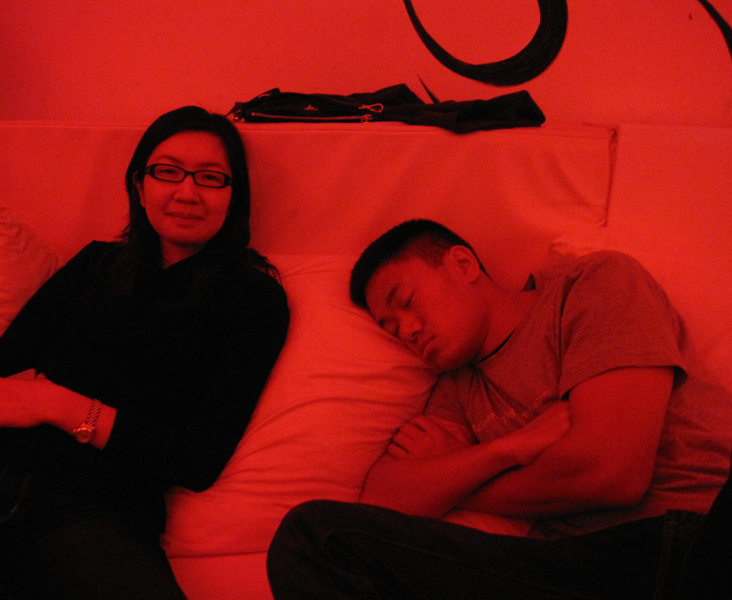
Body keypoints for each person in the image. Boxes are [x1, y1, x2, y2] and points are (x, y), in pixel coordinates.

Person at [266, 219, 731, 599]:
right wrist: (506, 450)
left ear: (463, 264)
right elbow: (384, 500)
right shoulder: (457, 389)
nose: (406, 330)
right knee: (316, 538)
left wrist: (456, 481)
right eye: (391, 328)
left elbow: (613, 472)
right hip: (576, 568)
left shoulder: (590, 285)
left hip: (696, 535)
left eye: (406, 302)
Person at [0, 106, 290, 599]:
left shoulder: (255, 299)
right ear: (140, 186)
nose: (187, 192)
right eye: (168, 172)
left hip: (88, 512)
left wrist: (62, 406)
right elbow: (5, 359)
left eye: (210, 178)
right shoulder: (96, 263)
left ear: (235, 196)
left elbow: (198, 460)